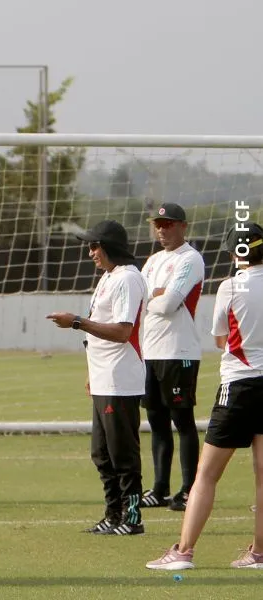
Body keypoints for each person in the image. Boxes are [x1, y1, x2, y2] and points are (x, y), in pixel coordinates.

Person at [146, 222, 263, 570]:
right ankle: (258, 554)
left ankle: (183, 551)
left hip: (239, 385)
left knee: (207, 475)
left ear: (234, 254)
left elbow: (219, 338)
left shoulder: (230, 286)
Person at [48, 219, 147, 536]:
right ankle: (114, 514)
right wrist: (92, 372)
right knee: (101, 454)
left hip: (121, 379)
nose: (90, 252)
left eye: (94, 245)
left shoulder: (128, 279)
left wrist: (77, 322)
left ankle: (132, 519)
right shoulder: (109, 278)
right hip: (104, 378)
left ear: (110, 246)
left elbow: (122, 331)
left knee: (122, 454)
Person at [140, 203, 205, 512]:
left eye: (168, 224)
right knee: (156, 421)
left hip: (179, 351)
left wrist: (156, 297)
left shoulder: (191, 259)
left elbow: (168, 305)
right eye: (158, 224)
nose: (162, 229)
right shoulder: (153, 261)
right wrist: (157, 295)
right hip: (151, 351)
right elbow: (143, 302)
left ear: (183, 226)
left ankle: (189, 488)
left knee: (183, 421)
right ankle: (160, 487)